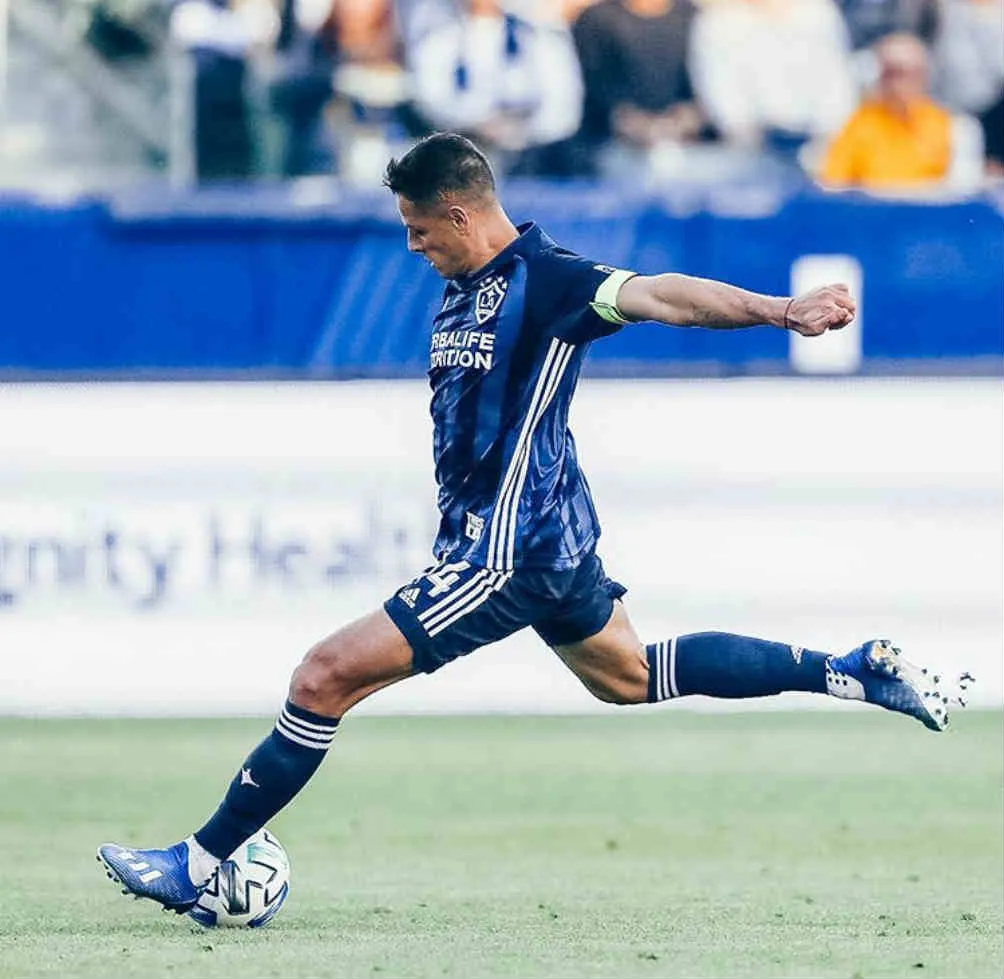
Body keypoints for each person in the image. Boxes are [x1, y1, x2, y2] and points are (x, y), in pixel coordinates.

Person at [97, 133, 971, 913]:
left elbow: (665, 293)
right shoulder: (466, 288)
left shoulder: (549, 280)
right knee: (630, 675)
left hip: (508, 552)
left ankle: (200, 860)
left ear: (456, 212)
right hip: (542, 540)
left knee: (322, 676)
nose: (412, 246)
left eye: (417, 229)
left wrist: (779, 311)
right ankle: (849, 671)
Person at [819, 33, 980, 190]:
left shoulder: (955, 127)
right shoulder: (856, 124)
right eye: (892, 73)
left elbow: (961, 192)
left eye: (911, 72)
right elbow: (833, 184)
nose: (900, 83)